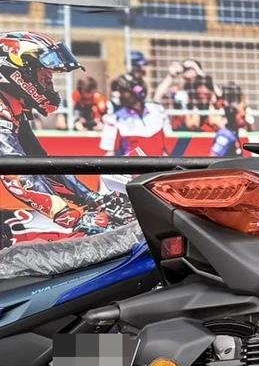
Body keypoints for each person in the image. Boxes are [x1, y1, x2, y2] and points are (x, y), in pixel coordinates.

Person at [0, 31, 126, 241]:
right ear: (19, 72)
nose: (50, 85)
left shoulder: (12, 109)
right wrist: (74, 218)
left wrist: (93, 198)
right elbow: (16, 175)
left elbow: (39, 164)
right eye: (45, 77)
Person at [100, 74, 171, 157]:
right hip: (131, 164)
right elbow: (109, 153)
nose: (120, 95)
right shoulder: (113, 120)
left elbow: (168, 144)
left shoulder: (158, 110)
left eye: (123, 91)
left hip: (160, 164)